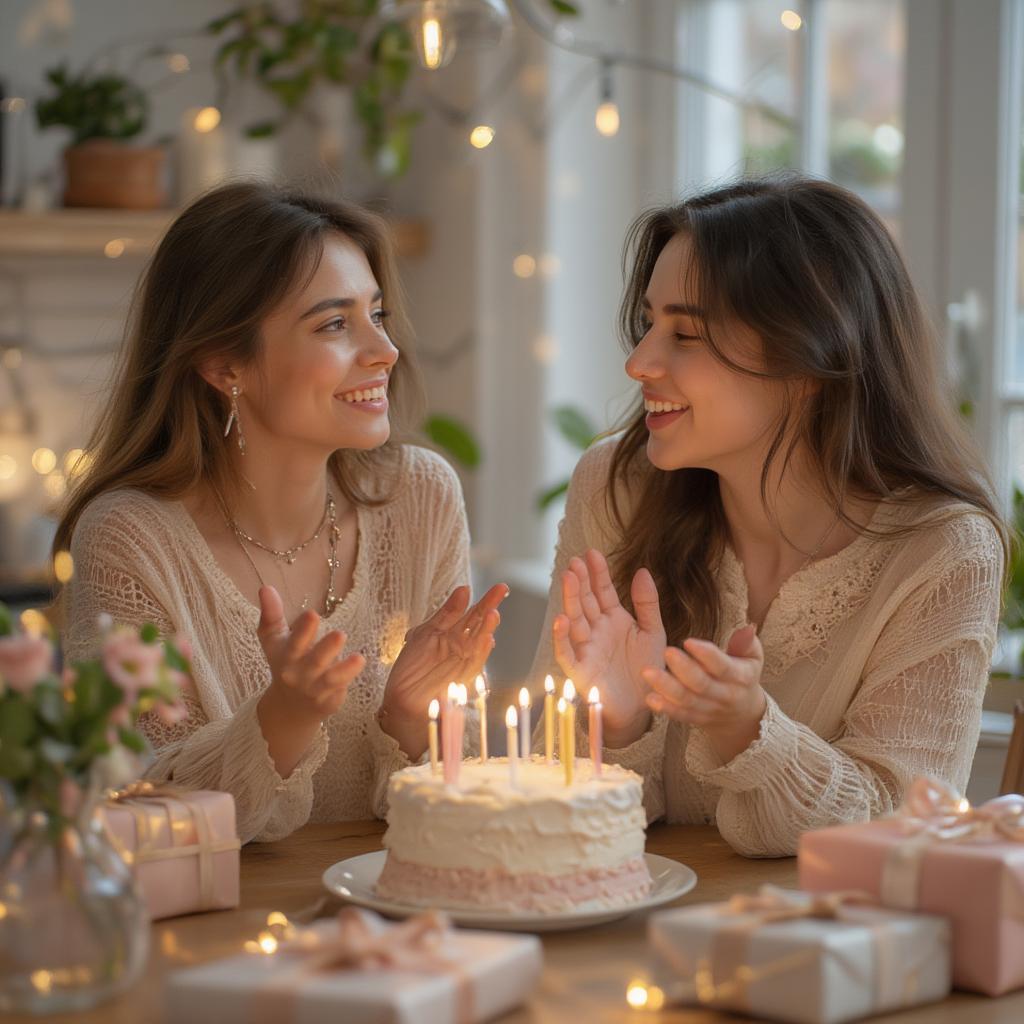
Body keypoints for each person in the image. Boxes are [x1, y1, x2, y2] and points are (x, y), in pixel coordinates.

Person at [529, 175, 1007, 857]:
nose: (640, 362)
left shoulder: (944, 550)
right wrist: (619, 722)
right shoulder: (616, 485)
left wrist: (748, 731)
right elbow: (539, 811)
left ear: (810, 357)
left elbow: (904, 832)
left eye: (686, 333)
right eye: (648, 325)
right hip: (617, 943)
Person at [55, 182, 505, 842]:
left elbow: (464, 810)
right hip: (214, 937)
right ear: (222, 364)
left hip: (407, 930)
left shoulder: (422, 497)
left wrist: (412, 717)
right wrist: (282, 720)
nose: (384, 351)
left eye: (376, 315)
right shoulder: (131, 539)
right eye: (333, 324)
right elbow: (130, 811)